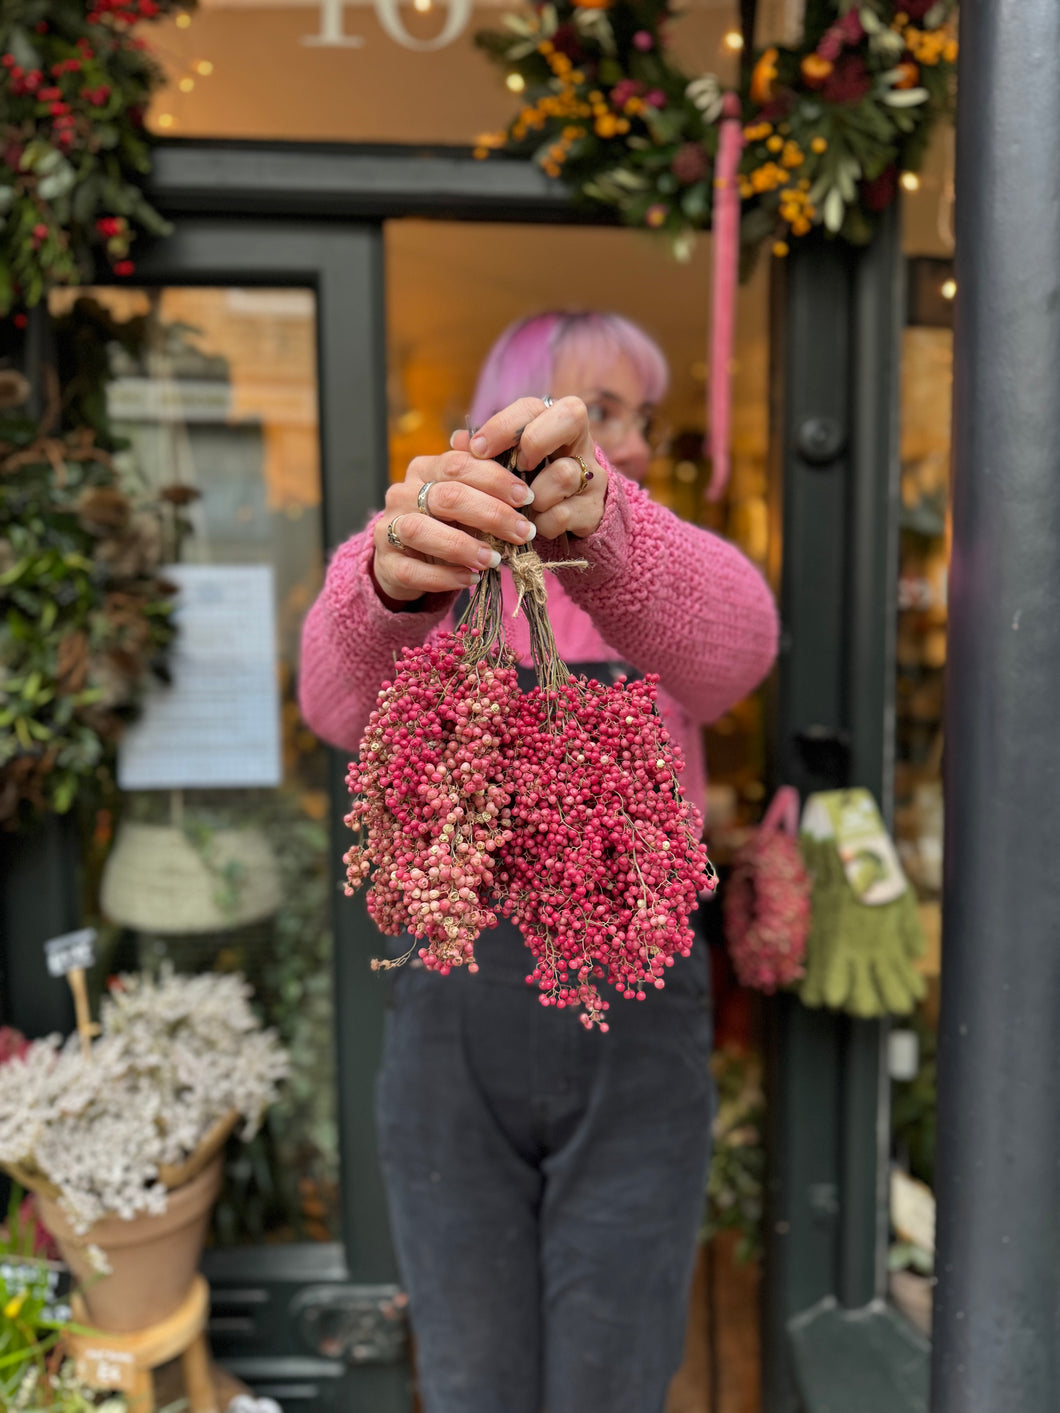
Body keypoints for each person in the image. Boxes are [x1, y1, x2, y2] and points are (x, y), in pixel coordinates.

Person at [298, 311, 778, 1413]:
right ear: (517, 403)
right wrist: (381, 585)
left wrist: (611, 529)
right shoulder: (420, 554)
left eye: (639, 419)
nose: (637, 442)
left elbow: (741, 647)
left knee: (616, 1367)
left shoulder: (652, 572)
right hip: (454, 1006)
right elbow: (331, 704)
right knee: (472, 1375)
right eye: (603, 411)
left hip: (638, 1009)